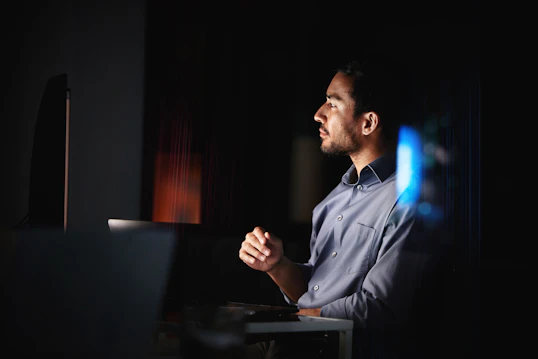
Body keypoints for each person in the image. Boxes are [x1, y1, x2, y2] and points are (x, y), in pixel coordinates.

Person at [238, 56, 447, 359]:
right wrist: (276, 265)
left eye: (333, 104)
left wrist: (292, 322)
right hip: (295, 343)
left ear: (368, 122)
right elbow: (315, 291)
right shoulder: (332, 201)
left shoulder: (409, 199)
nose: (318, 115)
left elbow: (381, 306)